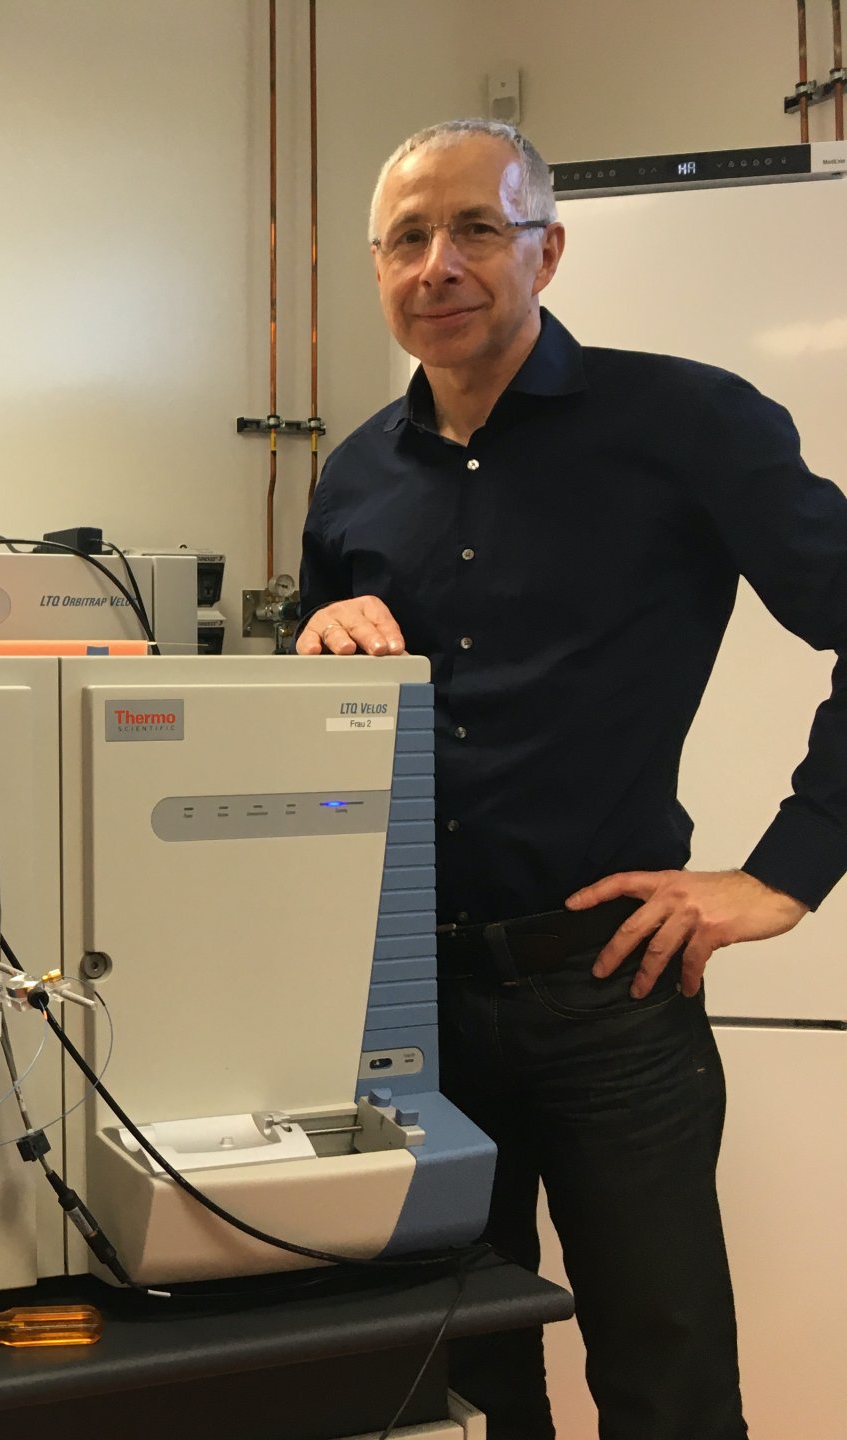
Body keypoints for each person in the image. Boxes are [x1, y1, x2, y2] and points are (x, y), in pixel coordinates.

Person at [298, 118, 847, 1438]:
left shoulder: (689, 422)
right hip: (409, 1012)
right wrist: (312, 649)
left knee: (663, 1382)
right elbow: (311, 729)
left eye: (477, 228)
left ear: (547, 247)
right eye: (407, 239)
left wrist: (784, 874)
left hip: (612, 989)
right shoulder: (355, 478)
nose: (441, 263)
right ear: (379, 268)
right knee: (455, 1381)